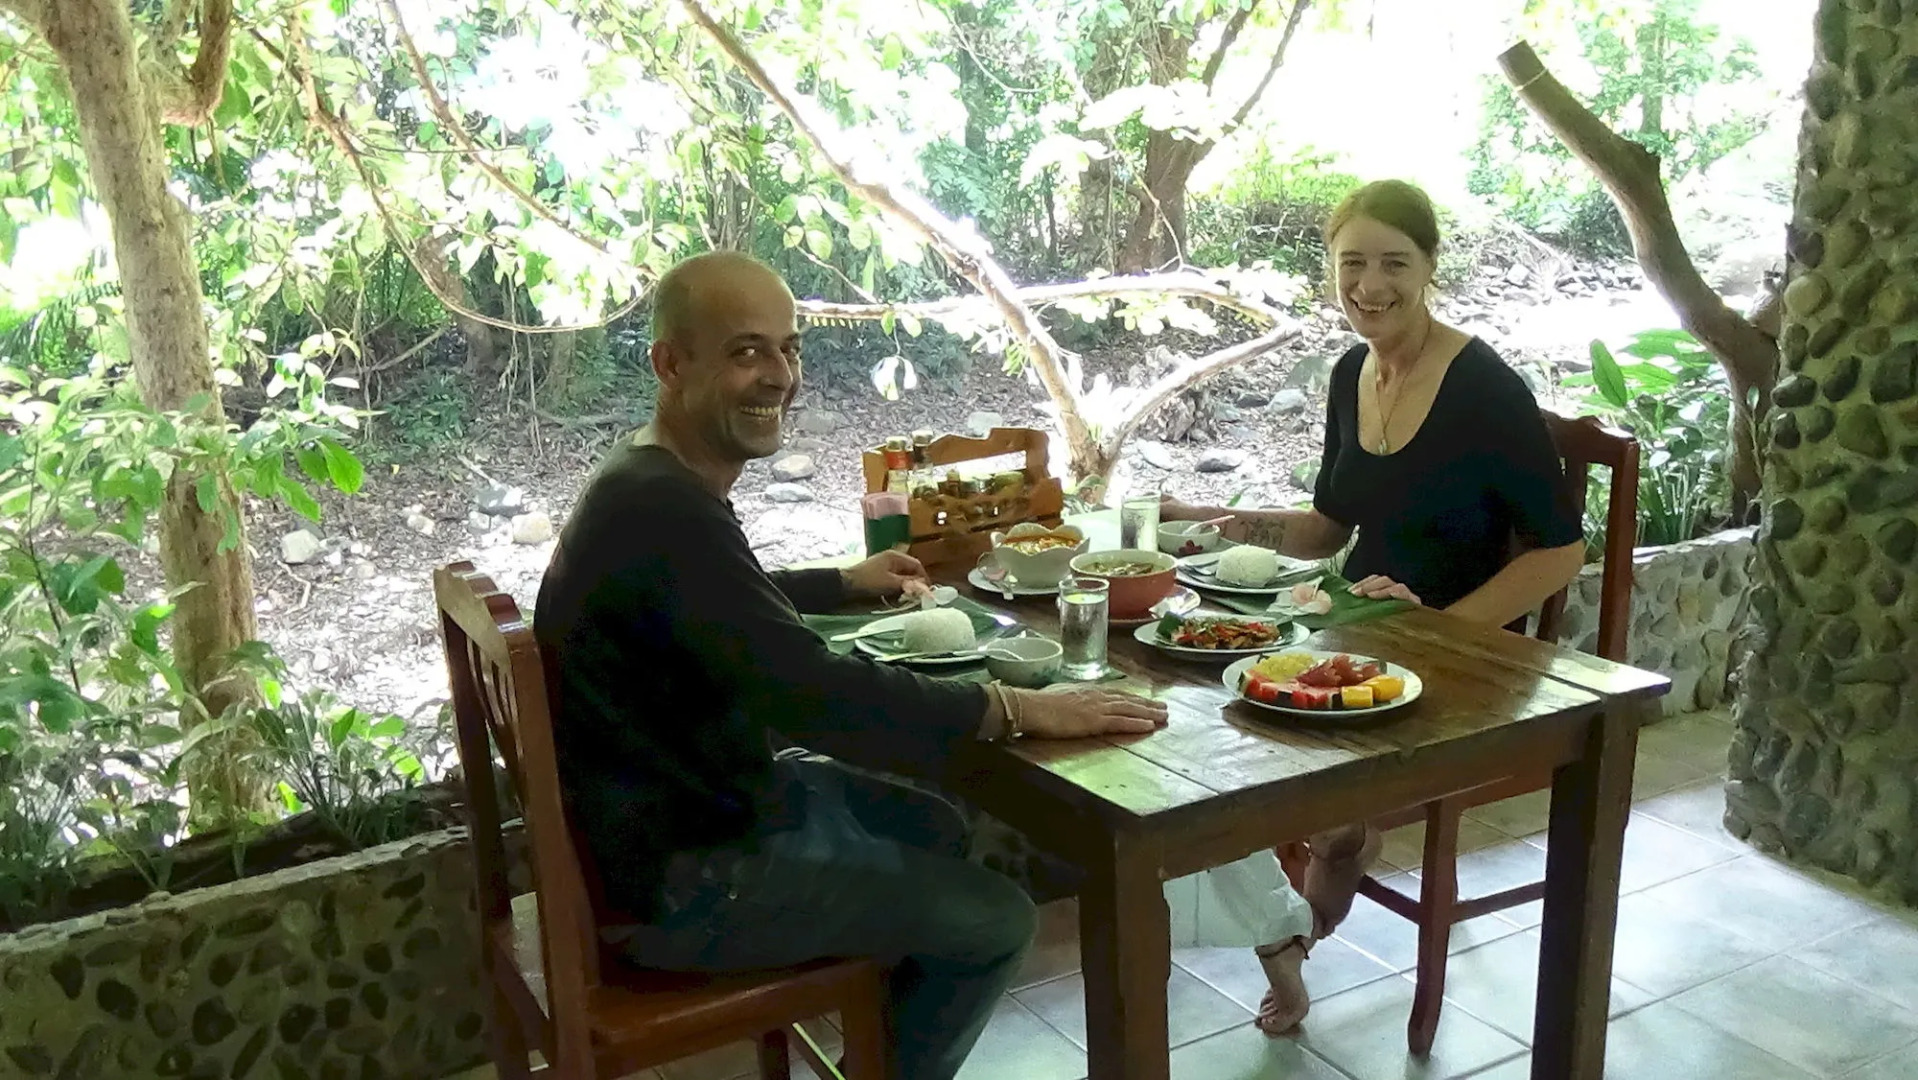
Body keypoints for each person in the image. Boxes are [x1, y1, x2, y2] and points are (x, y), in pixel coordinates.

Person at [533, 251, 1169, 1080]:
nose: (780, 376)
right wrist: (1011, 707)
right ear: (670, 363)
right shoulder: (664, 507)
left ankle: (882, 1044)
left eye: (789, 349)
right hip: (686, 879)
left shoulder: (645, 479)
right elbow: (815, 696)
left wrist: (841, 582)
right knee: (995, 921)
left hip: (676, 821)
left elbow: (723, 606)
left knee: (936, 823)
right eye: (746, 351)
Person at [1161, 179, 1585, 1034]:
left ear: (1429, 267)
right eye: (1351, 263)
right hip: (1360, 632)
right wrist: (1209, 524)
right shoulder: (1353, 371)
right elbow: (1326, 531)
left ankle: (1304, 915)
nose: (1370, 285)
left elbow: (1562, 551)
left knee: (1294, 771)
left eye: (1394, 262)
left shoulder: (1483, 385)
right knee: (1190, 732)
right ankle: (1296, 910)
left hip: (1467, 658)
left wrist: (1437, 626)